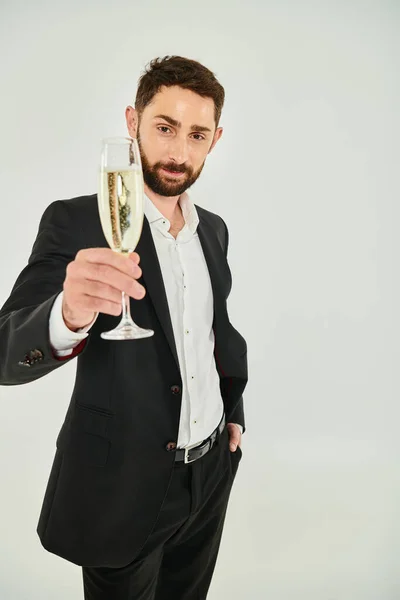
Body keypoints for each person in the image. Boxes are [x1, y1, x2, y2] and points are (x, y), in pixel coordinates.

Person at [0, 55, 248, 600]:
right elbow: (5, 350)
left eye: (197, 134)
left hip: (208, 475)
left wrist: (233, 415)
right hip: (123, 490)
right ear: (133, 122)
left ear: (216, 138)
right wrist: (66, 316)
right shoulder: (76, 221)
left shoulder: (216, 232)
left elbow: (216, 332)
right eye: (164, 128)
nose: (179, 152)